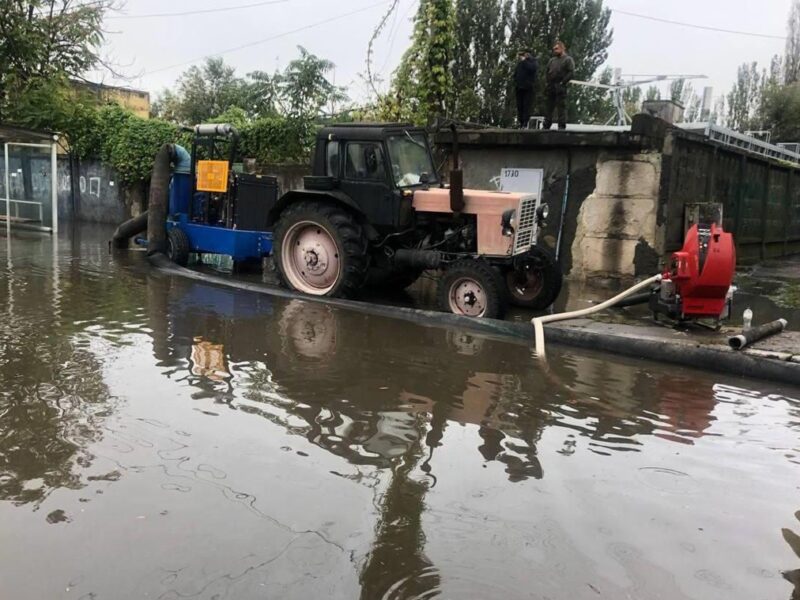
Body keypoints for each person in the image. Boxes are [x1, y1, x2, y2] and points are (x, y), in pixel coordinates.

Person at [544, 40, 575, 130]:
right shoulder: (552, 60)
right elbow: (547, 72)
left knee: (561, 107)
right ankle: (546, 125)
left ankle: (561, 126)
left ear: (562, 48)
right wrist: (547, 83)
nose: (555, 50)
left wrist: (563, 82)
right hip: (551, 85)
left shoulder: (568, 59)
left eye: (557, 49)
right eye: (554, 49)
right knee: (549, 107)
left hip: (560, 85)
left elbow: (571, 72)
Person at [514, 49, 538, 128]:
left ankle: (525, 123)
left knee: (526, 106)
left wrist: (524, 61)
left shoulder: (533, 62)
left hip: (528, 88)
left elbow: (532, 69)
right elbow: (516, 73)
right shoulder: (520, 64)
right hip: (519, 87)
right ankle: (520, 122)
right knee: (520, 106)